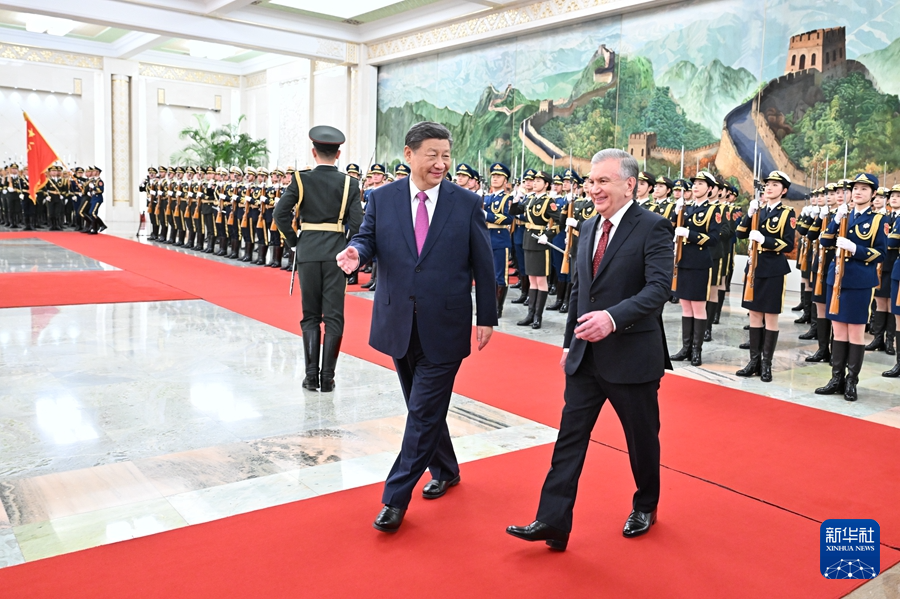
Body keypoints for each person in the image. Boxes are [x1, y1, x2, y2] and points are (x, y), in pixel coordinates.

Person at [506, 148, 673, 551]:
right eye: (590, 181)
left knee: (641, 439)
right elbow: (582, 290)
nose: (593, 189)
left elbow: (658, 289)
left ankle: (645, 504)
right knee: (570, 437)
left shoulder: (653, 227)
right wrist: (570, 341)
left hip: (632, 356)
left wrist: (612, 319)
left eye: (603, 181)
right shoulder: (587, 226)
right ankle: (553, 520)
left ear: (629, 185)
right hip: (585, 356)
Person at [336, 121, 496, 534]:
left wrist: (487, 316)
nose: (441, 164)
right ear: (409, 155)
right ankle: (446, 468)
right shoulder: (382, 197)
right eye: (432, 155)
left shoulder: (466, 203)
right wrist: (356, 252)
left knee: (422, 413)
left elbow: (484, 263)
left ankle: (395, 498)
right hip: (398, 322)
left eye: (446, 156)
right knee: (422, 408)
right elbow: (368, 238)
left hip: (446, 323)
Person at [276, 126, 363, 393]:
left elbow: (280, 214)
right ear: (338, 154)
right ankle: (328, 378)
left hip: (309, 252)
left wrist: (294, 242)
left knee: (310, 314)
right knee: (334, 316)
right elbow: (358, 224)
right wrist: (347, 247)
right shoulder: (350, 183)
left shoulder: (300, 180)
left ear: (314, 152)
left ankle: (311, 376)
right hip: (337, 253)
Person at [815, 173, 888, 401]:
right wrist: (836, 220)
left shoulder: (879, 220)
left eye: (864, 189)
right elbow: (824, 241)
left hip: (859, 281)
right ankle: (836, 378)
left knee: (855, 332)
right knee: (838, 330)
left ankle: (851, 381)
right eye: (855, 188)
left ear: (873, 194)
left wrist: (856, 249)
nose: (858, 192)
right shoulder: (843, 215)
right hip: (837, 278)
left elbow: (881, 254)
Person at [733, 171, 796, 382]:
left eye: (775, 185)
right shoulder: (758, 209)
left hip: (773, 269)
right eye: (768, 184)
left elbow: (788, 244)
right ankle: (754, 362)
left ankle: (767, 364)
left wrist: (765, 240)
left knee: (770, 317)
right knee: (754, 315)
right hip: (754, 268)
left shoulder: (787, 213)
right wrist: (749, 214)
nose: (769, 187)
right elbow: (740, 233)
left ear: (784, 191)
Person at [670, 171, 721, 366]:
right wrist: (676, 213)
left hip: (700, 263)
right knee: (685, 307)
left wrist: (689, 234)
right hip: (683, 261)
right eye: (695, 183)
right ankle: (686, 348)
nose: (696, 186)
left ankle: (696, 351)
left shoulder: (713, 210)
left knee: (698, 307)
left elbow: (714, 239)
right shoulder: (686, 208)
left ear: (710, 188)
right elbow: (672, 228)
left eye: (701, 183)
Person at [483, 162, 514, 317]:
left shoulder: (508, 198)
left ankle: (498, 308)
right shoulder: (486, 197)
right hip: (486, 237)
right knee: (487, 274)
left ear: (505, 180)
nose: (495, 178)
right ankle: (489, 305)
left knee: (500, 275)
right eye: (493, 176)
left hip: (500, 238)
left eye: (499, 176)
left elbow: (509, 218)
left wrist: (487, 216)